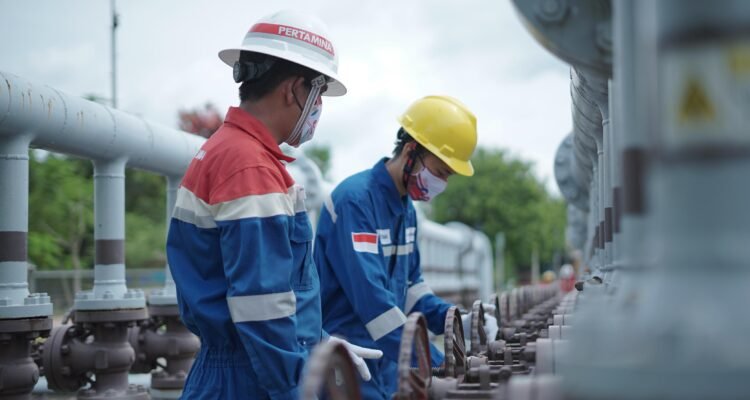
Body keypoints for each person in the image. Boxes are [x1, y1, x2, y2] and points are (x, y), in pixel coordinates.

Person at [166, 10, 379, 399]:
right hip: (249, 381)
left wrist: (317, 340)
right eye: (319, 93)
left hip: (241, 369)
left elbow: (266, 293)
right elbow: (261, 307)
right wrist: (293, 387)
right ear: (294, 89)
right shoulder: (250, 167)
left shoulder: (230, 152)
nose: (319, 107)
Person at [314, 95, 496, 399]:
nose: (441, 184)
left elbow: (413, 291)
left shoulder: (406, 211)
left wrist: (455, 321)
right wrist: (440, 364)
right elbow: (374, 303)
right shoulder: (356, 202)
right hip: (349, 369)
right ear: (411, 151)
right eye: (439, 171)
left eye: (447, 177)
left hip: (386, 369)